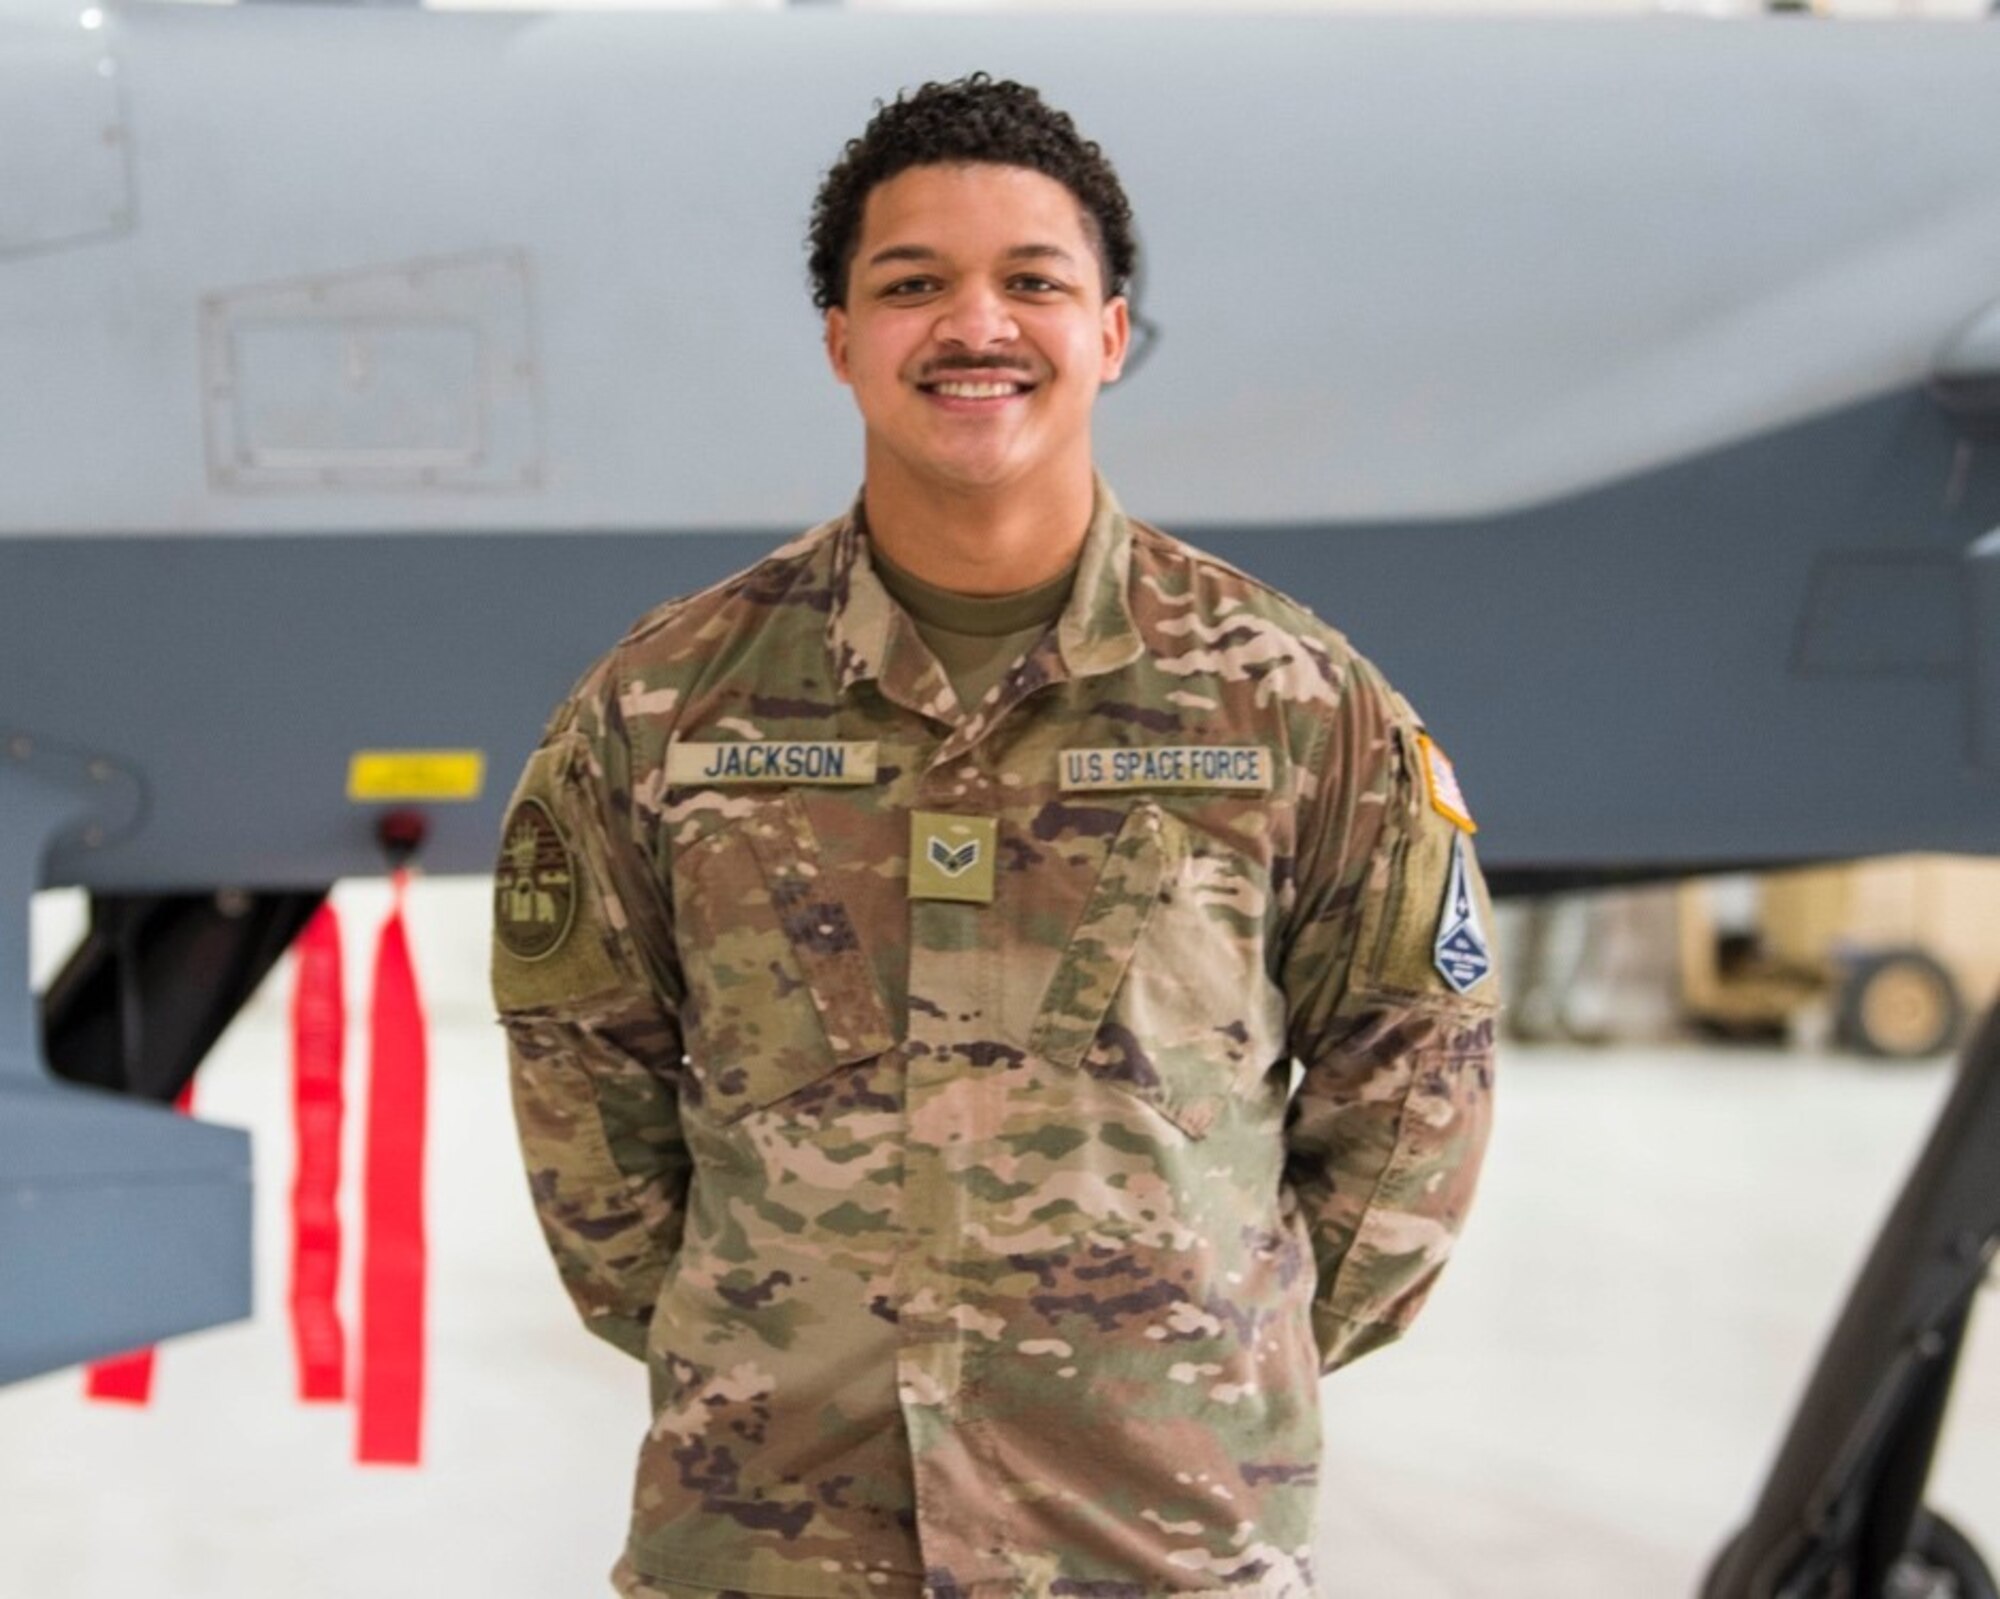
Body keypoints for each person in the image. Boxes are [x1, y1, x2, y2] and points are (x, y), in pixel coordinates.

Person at [492, 73, 1496, 1599]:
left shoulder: (1293, 699)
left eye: (1033, 282)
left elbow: (1418, 1071)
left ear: (1109, 330)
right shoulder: (666, 707)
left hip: (1157, 1544)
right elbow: (585, 1092)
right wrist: (775, 1330)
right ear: (841, 339)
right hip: (769, 1545)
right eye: (913, 286)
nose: (975, 326)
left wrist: (1224, 1336)